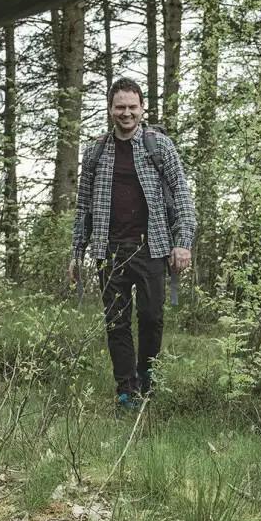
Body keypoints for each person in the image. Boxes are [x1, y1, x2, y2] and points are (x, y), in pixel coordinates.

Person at [68, 77, 196, 409]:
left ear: (142, 108)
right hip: (109, 249)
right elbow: (83, 206)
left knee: (151, 318)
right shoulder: (95, 151)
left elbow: (182, 196)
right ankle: (126, 390)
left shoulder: (159, 146)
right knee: (116, 322)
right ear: (110, 109)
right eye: (120, 107)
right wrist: (76, 252)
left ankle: (147, 379)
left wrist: (183, 242)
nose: (126, 113)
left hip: (152, 246)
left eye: (132, 107)